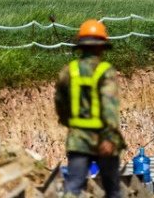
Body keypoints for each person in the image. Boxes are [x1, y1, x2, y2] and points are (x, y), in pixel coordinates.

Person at [54, 19, 127, 198]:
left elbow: (60, 105)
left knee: (72, 186)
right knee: (112, 189)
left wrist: (72, 126)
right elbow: (109, 107)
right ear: (101, 47)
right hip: (103, 139)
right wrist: (109, 137)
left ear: (81, 46)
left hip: (78, 139)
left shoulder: (68, 71)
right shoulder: (105, 71)